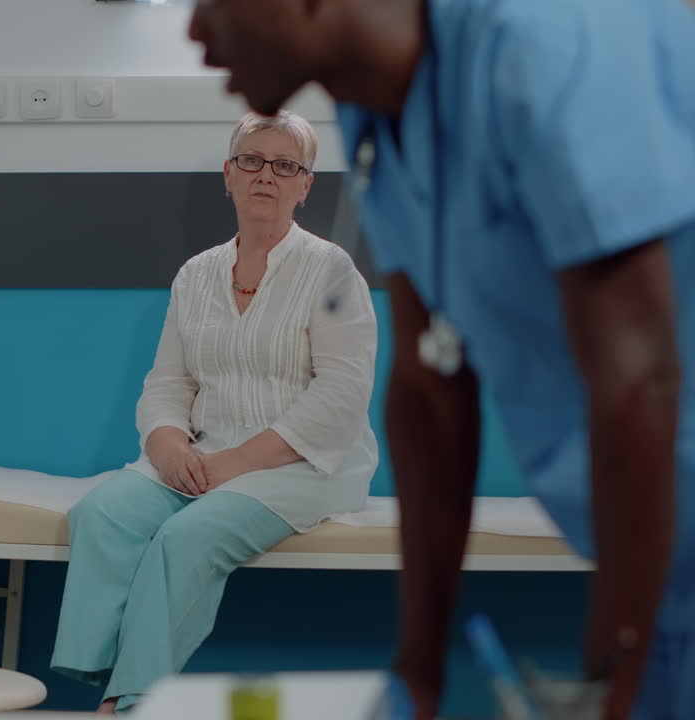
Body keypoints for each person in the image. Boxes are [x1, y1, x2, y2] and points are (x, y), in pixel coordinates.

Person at [188, 1, 695, 718]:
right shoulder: (379, 113)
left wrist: (610, 680)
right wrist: (417, 677)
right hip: (663, 571)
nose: (195, 30)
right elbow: (431, 385)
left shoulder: (546, 36)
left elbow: (639, 379)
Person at [50, 110, 379, 714]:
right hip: (205, 453)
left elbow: (341, 396)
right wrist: (168, 444)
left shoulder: (332, 271)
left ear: (305, 185)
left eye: (285, 165)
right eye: (251, 160)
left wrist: (238, 462)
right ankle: (107, 678)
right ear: (229, 175)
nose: (266, 175)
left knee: (187, 537)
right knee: (102, 514)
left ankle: (132, 701)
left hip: (306, 464)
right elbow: (168, 382)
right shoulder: (196, 274)